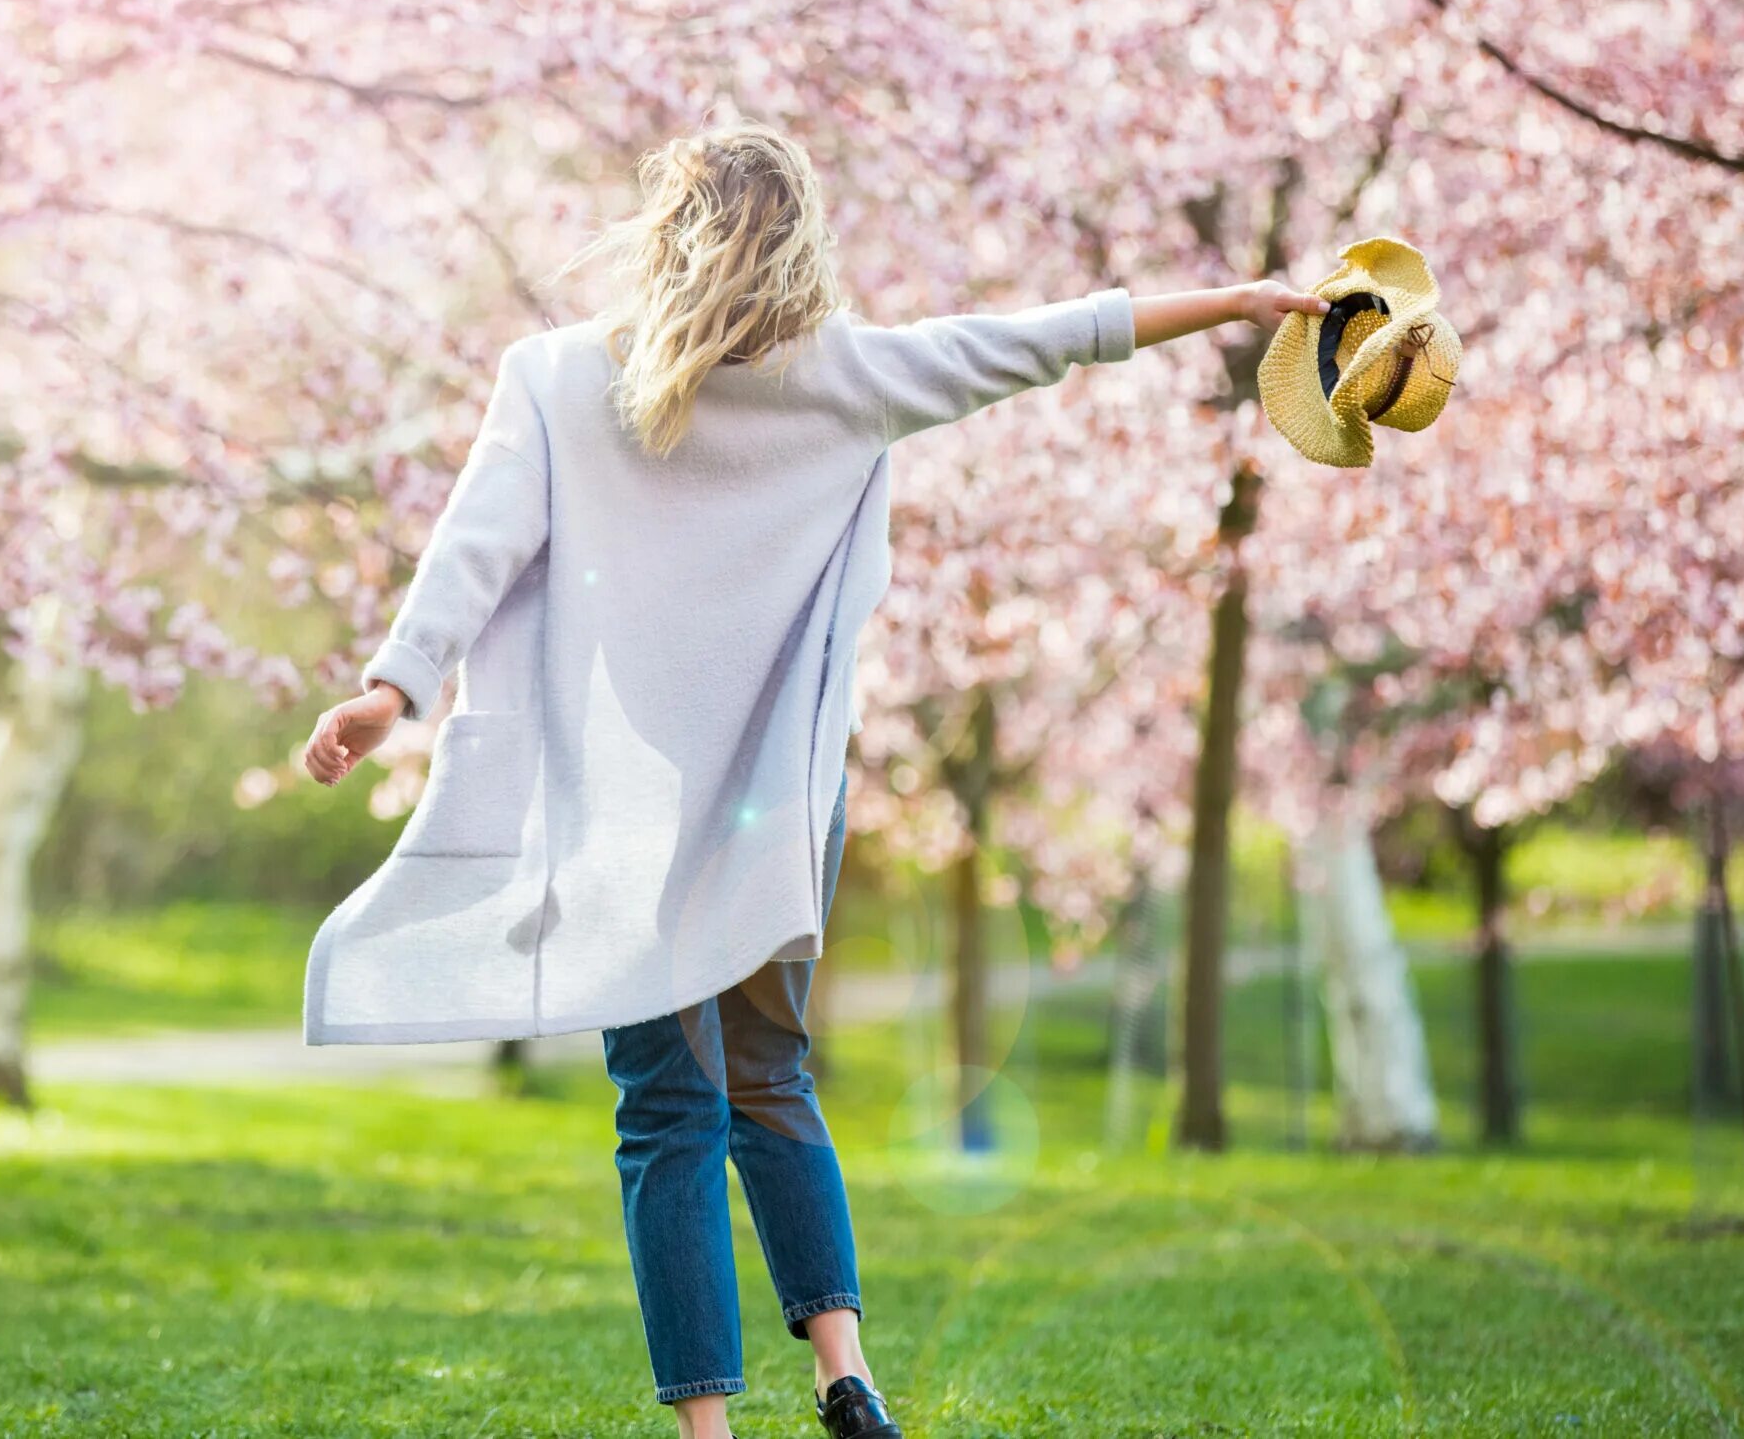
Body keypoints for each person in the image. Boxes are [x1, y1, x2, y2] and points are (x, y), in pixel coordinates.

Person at [304, 122, 1327, 1439]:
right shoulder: (847, 378)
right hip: (777, 803)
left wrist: (392, 688)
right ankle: (846, 1373)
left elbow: (472, 554)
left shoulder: (558, 381)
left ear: (667, 239)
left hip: (628, 811)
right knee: (772, 1073)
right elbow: (1045, 336)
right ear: (799, 245)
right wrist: (1237, 305)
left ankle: (710, 1432)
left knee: (667, 1111)